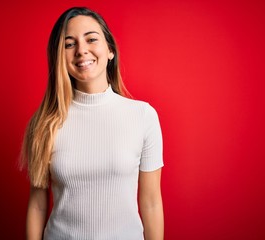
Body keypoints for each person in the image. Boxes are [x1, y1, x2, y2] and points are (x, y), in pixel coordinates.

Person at [20, 6, 164, 240]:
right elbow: (37, 205)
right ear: (59, 57)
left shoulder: (143, 116)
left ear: (110, 50)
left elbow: (151, 203)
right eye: (69, 44)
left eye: (91, 39)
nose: (81, 50)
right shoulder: (44, 123)